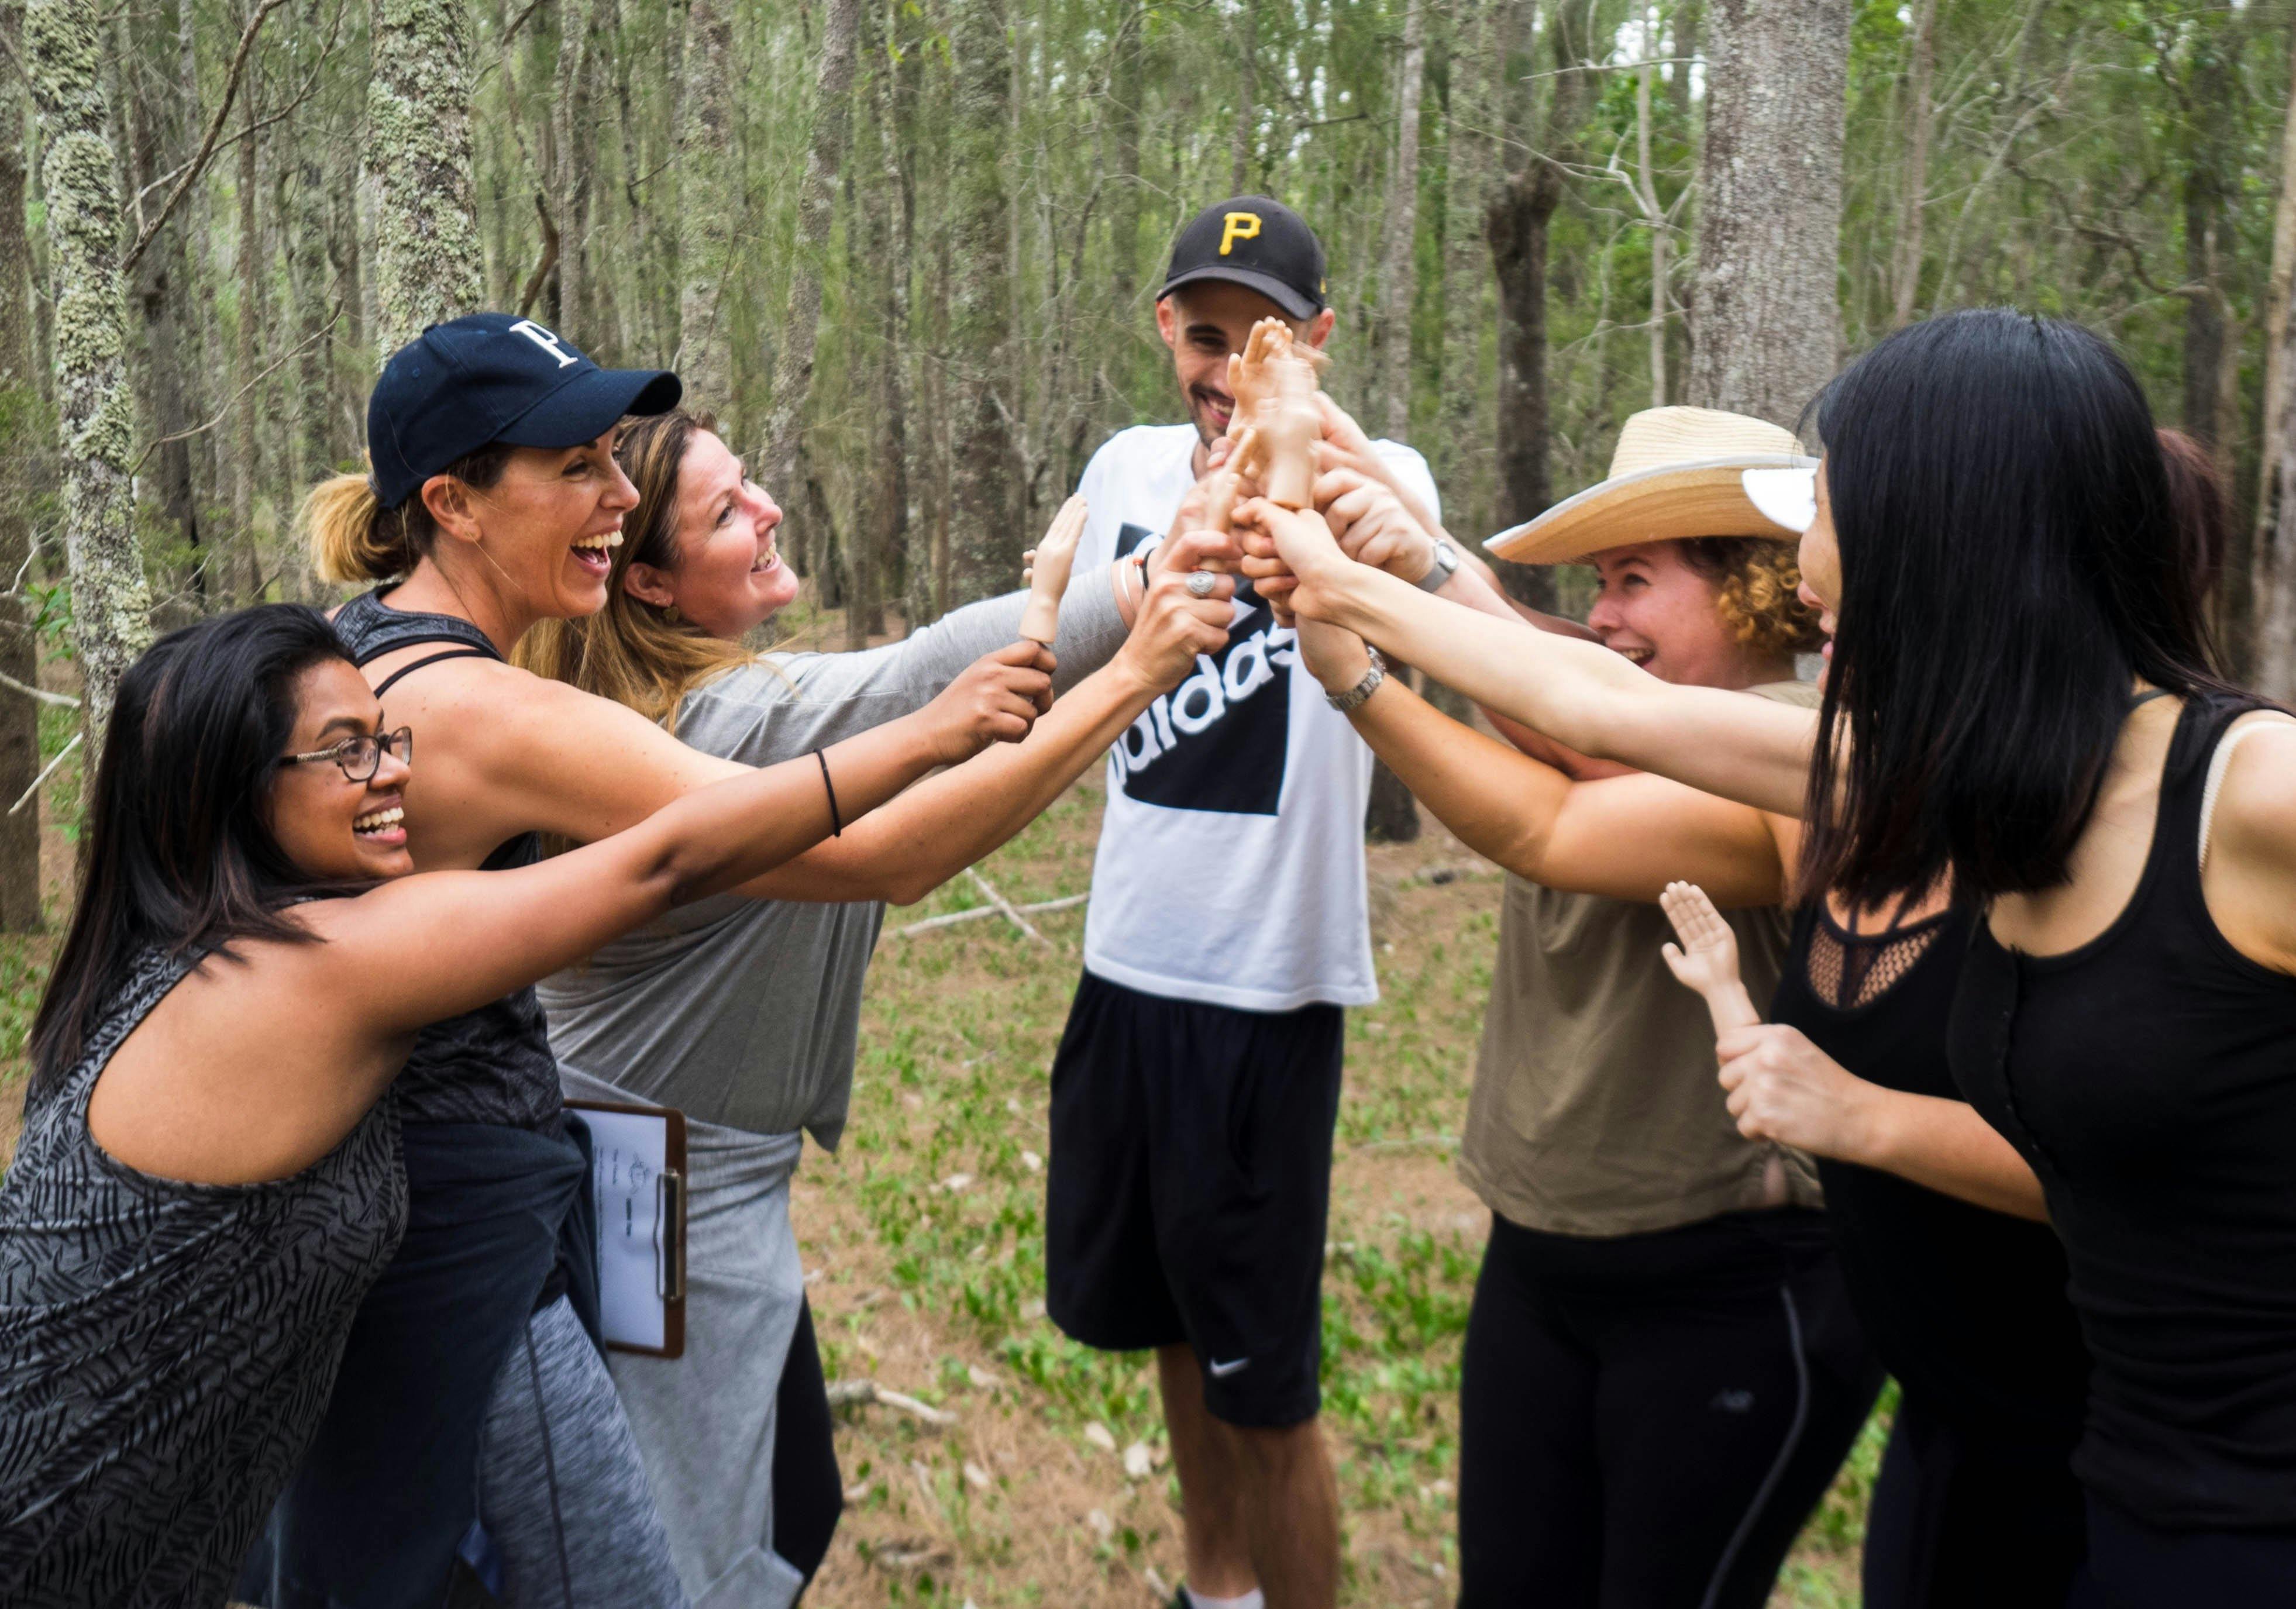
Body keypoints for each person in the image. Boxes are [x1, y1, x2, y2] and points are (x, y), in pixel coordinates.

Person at [1244, 308, 2296, 1605]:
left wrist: (1344, 570)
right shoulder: (1962, 780)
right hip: (2103, 1471)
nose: (1799, 566)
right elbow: (1596, 709)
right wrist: (1344, 591)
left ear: (1937, 532)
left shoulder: (2252, 793)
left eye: (1824, 510)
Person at [245, 314, 1056, 1609]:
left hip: (420, 1214)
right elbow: (819, 849)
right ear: (452, 503)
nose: (617, 500)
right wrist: (1049, 692)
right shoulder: (484, 709)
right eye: (577, 467)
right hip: (457, 1250)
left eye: (616, 465)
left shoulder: (365, 649)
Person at [0, 602, 1035, 1605]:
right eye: (347, 750)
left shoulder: (162, 960)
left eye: (387, 736)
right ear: (226, 787)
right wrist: (930, 733)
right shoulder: (305, 976)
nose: (394, 769)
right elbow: (665, 860)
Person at [514, 406, 1239, 1601]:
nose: (769, 510)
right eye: (725, 511)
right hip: (666, 1190)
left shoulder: (689, 713)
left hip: (694, 1172)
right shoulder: (721, 725)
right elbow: (917, 692)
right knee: (693, 1550)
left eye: (751, 482)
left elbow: (920, 751)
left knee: (789, 1502)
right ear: (648, 582)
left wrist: (1126, 597)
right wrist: (1155, 588)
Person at [1285, 408, 1886, 1608]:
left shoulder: (1804, 748)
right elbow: (1557, 671)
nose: (1603, 612)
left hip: (1725, 1278)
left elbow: (1565, 789)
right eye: (1598, 584)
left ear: (1752, 591)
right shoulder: (1587, 693)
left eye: (1634, 579)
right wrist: (1408, 544)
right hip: (1540, 1257)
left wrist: (1369, 648)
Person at [1044, 194, 1503, 1609]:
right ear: (1163, 329)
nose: (1227, 369)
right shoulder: (1124, 466)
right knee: (1173, 1328)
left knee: (1267, 1384)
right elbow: (1059, 662)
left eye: (1262, 340)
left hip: (1267, 988)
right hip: (1127, 965)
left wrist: (1316, 512)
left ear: (1317, 338)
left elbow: (1445, 629)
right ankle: (1218, 1587)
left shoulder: (1380, 474)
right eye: (1204, 335)